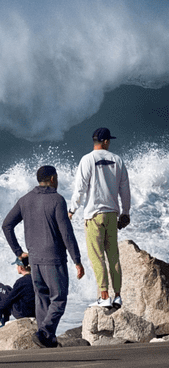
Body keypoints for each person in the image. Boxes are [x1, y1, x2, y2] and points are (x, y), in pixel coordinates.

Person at [2, 165, 85, 348]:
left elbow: (6, 225)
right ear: (53, 179)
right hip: (54, 259)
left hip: (35, 260)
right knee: (59, 298)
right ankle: (44, 332)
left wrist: (19, 252)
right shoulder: (57, 200)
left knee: (42, 299)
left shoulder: (25, 200)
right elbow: (66, 233)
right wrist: (77, 260)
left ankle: (46, 340)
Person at [69, 127, 131, 309]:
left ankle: (104, 296)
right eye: (109, 140)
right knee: (113, 256)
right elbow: (125, 189)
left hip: (94, 215)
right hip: (112, 214)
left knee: (97, 257)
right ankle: (118, 296)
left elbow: (80, 188)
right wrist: (125, 213)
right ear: (105, 141)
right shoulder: (117, 160)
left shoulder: (87, 160)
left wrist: (72, 209)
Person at [0, 256, 36, 328]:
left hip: (22, 313)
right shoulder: (37, 279)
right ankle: (4, 320)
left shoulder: (21, 282)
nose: (16, 268)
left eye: (17, 265)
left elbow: (9, 299)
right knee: (7, 288)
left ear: (21, 267)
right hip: (34, 312)